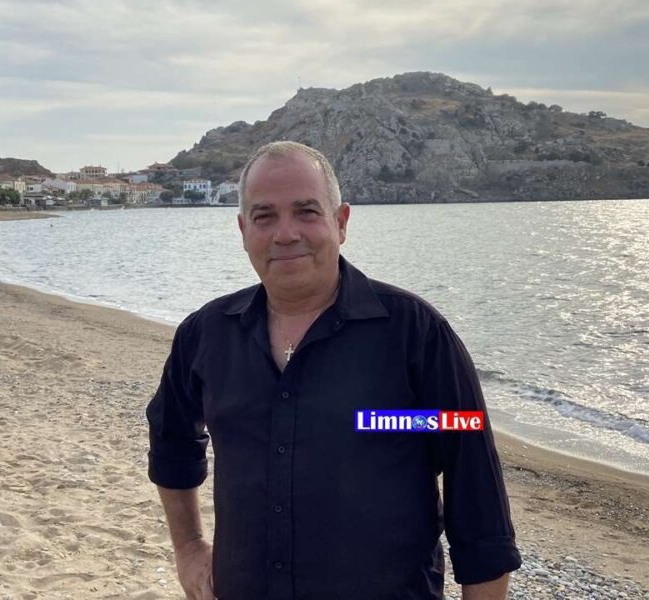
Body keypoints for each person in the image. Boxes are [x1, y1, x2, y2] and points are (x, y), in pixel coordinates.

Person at [147, 141, 521, 600]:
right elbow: (171, 439)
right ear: (243, 229)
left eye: (306, 212)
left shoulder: (415, 335)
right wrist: (188, 548)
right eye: (265, 216)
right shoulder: (206, 334)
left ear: (341, 222)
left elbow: (477, 497)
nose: (285, 234)